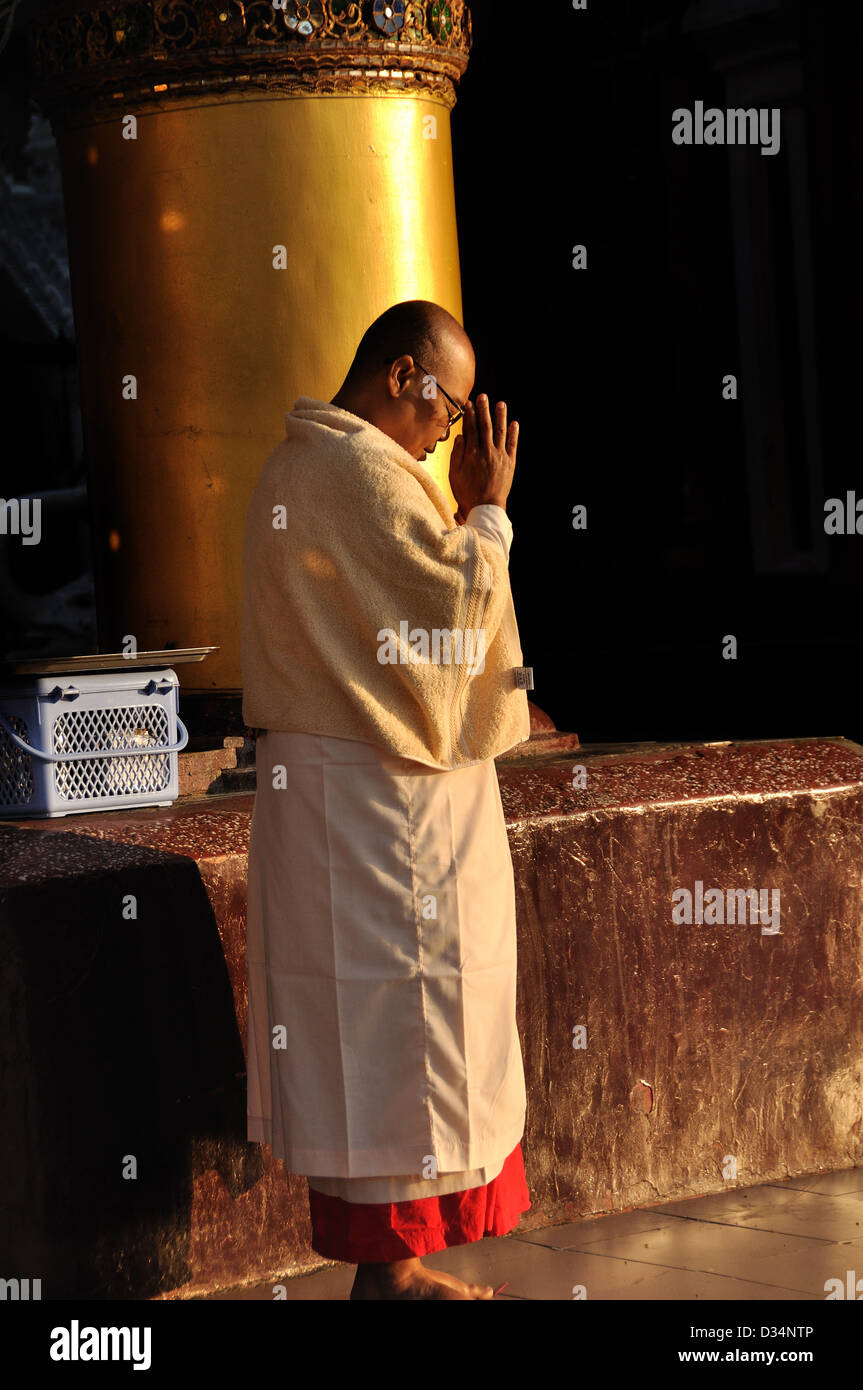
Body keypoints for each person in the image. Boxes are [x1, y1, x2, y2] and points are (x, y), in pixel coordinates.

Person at [242, 299, 532, 1300]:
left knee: (385, 1037)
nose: (452, 433)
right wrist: (486, 509)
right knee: (402, 1032)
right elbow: (450, 621)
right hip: (378, 806)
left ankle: (394, 1268)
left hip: (346, 799)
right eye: (448, 408)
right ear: (402, 376)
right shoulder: (356, 470)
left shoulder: (297, 468)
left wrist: (451, 513)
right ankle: (392, 1272)